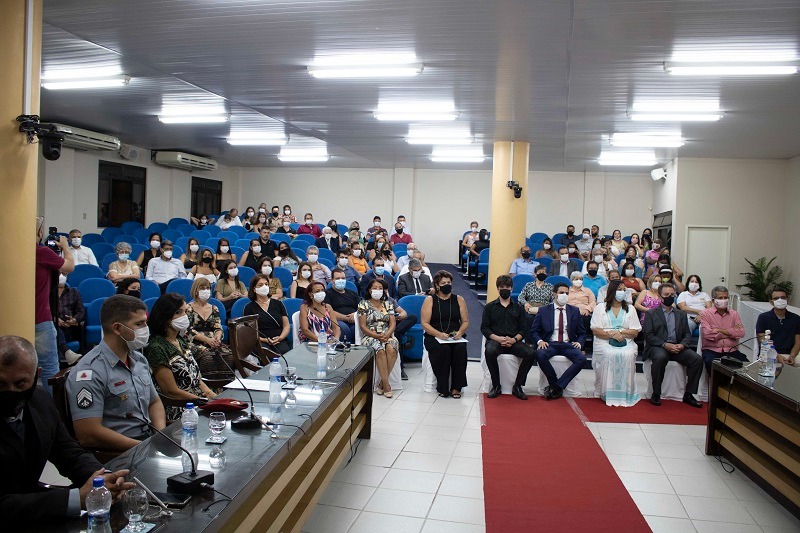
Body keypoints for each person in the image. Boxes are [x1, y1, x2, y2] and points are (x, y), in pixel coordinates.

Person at [0, 335, 135, 524]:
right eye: (1, 384)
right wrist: (75, 499)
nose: (11, 391)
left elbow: (69, 453)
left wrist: (102, 478)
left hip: (36, 513)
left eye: (20, 383)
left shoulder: (40, 401)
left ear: (37, 375)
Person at [66, 295, 167, 451]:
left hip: (147, 442)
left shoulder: (139, 359)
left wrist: (160, 437)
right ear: (118, 328)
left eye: (145, 323)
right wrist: (146, 448)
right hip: (119, 452)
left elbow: (154, 402)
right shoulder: (90, 371)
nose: (145, 329)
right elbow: (88, 434)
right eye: (139, 324)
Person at [144, 294, 219, 421]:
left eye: (185, 311)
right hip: (179, 409)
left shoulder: (179, 339)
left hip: (197, 403)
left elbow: (195, 379)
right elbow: (171, 391)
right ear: (165, 316)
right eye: (178, 312)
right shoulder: (156, 347)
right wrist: (204, 401)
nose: (184, 316)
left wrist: (213, 396)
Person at [642, 283, 703, 407]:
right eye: (666, 295)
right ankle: (656, 393)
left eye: (672, 295)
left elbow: (687, 334)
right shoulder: (651, 313)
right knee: (660, 358)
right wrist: (665, 344)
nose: (670, 297)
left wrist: (682, 345)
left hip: (677, 346)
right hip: (658, 346)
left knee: (697, 359)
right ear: (659, 296)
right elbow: (648, 335)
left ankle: (689, 394)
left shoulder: (681, 314)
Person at [36, 217, 75, 393]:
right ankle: (51, 406)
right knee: (49, 368)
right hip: (40, 319)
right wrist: (65, 247)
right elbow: (69, 267)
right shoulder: (41, 252)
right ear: (39, 231)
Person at [482, 275, 536, 400]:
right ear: (497, 289)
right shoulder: (489, 307)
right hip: (496, 340)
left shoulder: (519, 308)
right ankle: (496, 385)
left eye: (507, 287)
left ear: (511, 288)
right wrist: (498, 338)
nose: (504, 289)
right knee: (489, 351)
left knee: (530, 353)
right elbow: (484, 328)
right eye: (502, 287)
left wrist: (514, 339)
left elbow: (523, 329)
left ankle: (518, 386)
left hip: (514, 341)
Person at [591, 280, 642, 407]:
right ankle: (606, 392)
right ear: (612, 291)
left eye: (624, 290)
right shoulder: (600, 308)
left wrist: (620, 333)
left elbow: (635, 331)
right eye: (619, 289)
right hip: (603, 340)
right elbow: (596, 330)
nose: (622, 292)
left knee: (628, 354)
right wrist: (611, 335)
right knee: (609, 353)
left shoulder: (631, 309)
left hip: (626, 339)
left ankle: (626, 393)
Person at [531, 283, 586, 400]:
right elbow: (534, 331)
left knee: (581, 358)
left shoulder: (574, 311)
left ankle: (557, 386)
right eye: (561, 293)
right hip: (550, 343)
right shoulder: (543, 310)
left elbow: (582, 332)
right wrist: (540, 341)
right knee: (540, 354)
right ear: (554, 294)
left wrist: (579, 343)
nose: (564, 295)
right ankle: (553, 382)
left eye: (567, 293)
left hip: (568, 344)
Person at [421, 270, 469, 398]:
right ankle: (442, 387)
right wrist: (439, 334)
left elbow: (465, 321)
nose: (447, 285)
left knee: (460, 349)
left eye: (449, 282)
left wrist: (460, 333)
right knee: (444, 350)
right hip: (434, 336)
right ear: (437, 285)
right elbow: (425, 323)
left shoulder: (459, 299)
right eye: (443, 283)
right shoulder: (430, 300)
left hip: (455, 337)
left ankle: (456, 387)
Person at [185, 278, 236, 380]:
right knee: (207, 358)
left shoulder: (214, 308)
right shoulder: (188, 308)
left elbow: (218, 327)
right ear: (196, 290)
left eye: (208, 288)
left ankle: (223, 383)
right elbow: (188, 330)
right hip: (195, 342)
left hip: (213, 341)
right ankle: (207, 385)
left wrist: (217, 337)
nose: (206, 290)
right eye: (202, 288)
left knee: (229, 355)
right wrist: (207, 340)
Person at [358, 278, 400, 397]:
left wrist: (388, 334)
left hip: (387, 335)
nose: (378, 290)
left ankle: (382, 382)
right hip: (370, 335)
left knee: (392, 348)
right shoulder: (363, 304)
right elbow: (363, 326)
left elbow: (392, 323)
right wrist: (376, 335)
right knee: (380, 351)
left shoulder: (388, 304)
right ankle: (386, 385)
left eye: (380, 288)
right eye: (375, 288)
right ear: (369, 290)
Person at [698, 286, 746, 372]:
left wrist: (718, 330)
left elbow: (741, 333)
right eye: (720, 298)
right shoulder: (706, 314)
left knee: (746, 365)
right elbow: (708, 334)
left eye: (725, 297)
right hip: (712, 350)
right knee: (711, 363)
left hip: (731, 350)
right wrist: (731, 332)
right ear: (713, 300)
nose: (723, 300)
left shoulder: (734, 314)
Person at [243, 275, 291, 355]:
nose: (264, 287)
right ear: (254, 289)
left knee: (284, 352)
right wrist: (263, 340)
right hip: (260, 340)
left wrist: (280, 338)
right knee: (266, 353)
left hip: (279, 338)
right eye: (260, 285)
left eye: (266, 284)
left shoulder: (278, 303)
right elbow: (249, 331)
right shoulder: (249, 307)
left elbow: (286, 326)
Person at [756, 288, 800, 366]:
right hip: (769, 353)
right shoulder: (763, 317)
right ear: (771, 302)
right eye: (776, 298)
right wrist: (777, 356)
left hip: (789, 354)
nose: (780, 300)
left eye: (783, 297)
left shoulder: (796, 318)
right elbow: (762, 340)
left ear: (787, 300)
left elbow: (798, 342)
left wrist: (792, 357)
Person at [326, 269, 361, 343]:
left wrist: (355, 315)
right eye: (337, 278)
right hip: (337, 320)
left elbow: (362, 308)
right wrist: (346, 318)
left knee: (358, 328)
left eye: (343, 278)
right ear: (332, 280)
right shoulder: (327, 294)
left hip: (354, 319)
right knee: (344, 328)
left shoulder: (353, 293)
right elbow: (328, 311)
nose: (341, 280)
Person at [57, 273, 85, 365]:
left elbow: (81, 312)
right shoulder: (48, 292)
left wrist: (73, 320)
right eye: (59, 273)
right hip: (52, 326)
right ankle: (66, 352)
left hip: (69, 328)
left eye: (64, 274)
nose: (61, 276)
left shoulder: (73, 292)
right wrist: (55, 319)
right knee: (53, 326)